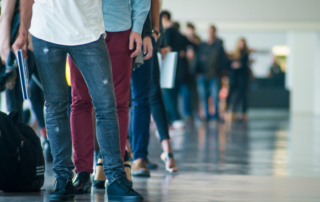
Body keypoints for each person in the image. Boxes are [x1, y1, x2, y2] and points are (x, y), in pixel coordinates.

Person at [13, 0, 143, 201]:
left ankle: (116, 178)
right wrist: (23, 33)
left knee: (107, 105)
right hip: (46, 30)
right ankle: (63, 178)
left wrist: (142, 27)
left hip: (88, 31)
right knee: (55, 106)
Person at [67, 0, 150, 193]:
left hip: (118, 28)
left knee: (119, 102)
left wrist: (138, 28)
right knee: (80, 101)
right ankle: (83, 173)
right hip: (80, 29)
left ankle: (115, 174)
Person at [0, 0, 51, 161]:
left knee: (16, 105)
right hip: (36, 43)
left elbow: (6, 15)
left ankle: (18, 154)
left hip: (24, 46)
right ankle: (45, 143)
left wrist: (4, 47)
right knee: (45, 97)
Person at [161, 10, 193, 128]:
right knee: (172, 95)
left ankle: (174, 119)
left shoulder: (169, 32)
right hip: (179, 71)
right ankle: (173, 119)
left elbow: (167, 48)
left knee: (169, 95)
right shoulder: (179, 34)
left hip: (170, 70)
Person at [195, 25, 228, 121]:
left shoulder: (218, 46)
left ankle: (216, 115)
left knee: (215, 95)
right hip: (202, 74)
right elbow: (198, 59)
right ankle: (206, 115)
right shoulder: (203, 45)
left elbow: (222, 60)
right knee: (203, 95)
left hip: (214, 74)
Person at [226, 38, 251, 122]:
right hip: (234, 79)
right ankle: (232, 113)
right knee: (233, 96)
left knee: (242, 96)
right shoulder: (234, 54)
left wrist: (238, 65)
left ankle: (243, 113)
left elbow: (243, 65)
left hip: (243, 79)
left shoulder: (245, 54)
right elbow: (230, 65)